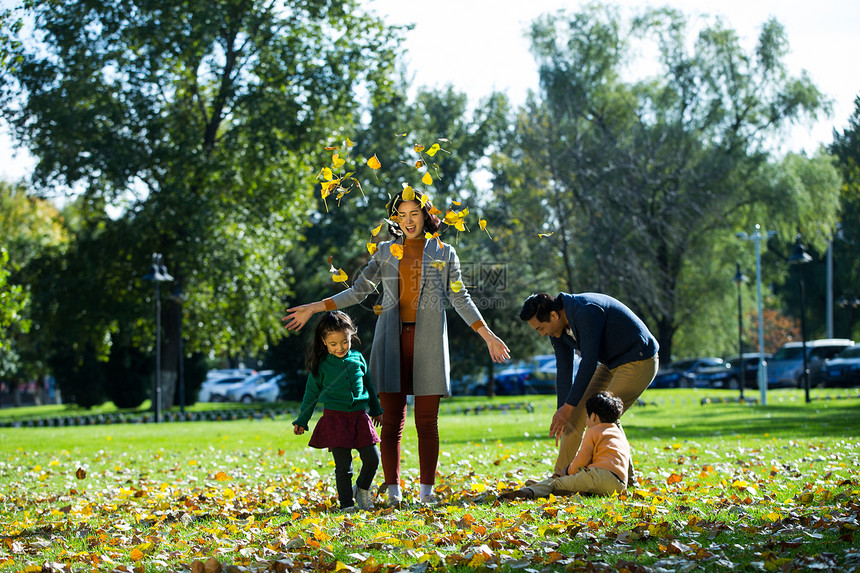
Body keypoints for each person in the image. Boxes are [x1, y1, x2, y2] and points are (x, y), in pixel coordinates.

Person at [284, 189, 510, 506]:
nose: (407, 221)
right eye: (401, 215)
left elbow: (460, 297)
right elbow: (361, 290)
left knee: (427, 423)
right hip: (391, 343)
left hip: (429, 342)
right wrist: (315, 307)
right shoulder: (387, 251)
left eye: (413, 214)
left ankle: (426, 492)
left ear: (426, 215)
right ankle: (393, 491)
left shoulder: (444, 253)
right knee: (390, 424)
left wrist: (487, 334)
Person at [519, 292, 659, 481]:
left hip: (639, 359)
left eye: (541, 328)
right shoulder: (557, 329)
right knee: (576, 412)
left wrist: (568, 408)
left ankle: (570, 479)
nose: (542, 334)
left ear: (554, 315)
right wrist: (563, 411)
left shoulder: (585, 311)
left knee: (600, 415)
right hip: (611, 363)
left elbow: (588, 362)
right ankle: (560, 477)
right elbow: (564, 369)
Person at [292, 311, 383, 512]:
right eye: (333, 344)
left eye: (345, 342)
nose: (340, 348)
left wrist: (376, 409)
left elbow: (368, 384)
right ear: (324, 341)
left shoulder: (358, 358)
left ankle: (361, 488)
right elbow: (311, 395)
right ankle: (346, 505)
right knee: (344, 466)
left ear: (351, 336)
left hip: (360, 417)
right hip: (335, 419)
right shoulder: (321, 365)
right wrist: (302, 419)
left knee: (373, 459)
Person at [499, 391, 630, 500]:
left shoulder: (593, 431)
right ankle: (556, 488)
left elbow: (582, 459)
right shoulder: (619, 434)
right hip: (619, 485)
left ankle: (529, 492)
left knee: (556, 484)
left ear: (594, 416)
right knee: (581, 485)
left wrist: (566, 472)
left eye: (587, 417)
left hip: (598, 477)